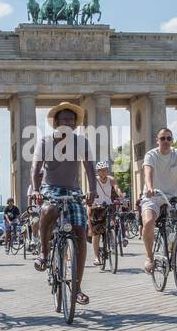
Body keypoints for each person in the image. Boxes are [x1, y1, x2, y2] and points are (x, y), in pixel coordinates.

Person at [31, 102, 97, 305]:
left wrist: (92, 190)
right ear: (56, 123)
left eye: (71, 120)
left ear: (75, 124)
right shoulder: (45, 142)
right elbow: (35, 168)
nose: (67, 123)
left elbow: (89, 167)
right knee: (48, 210)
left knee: (79, 232)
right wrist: (35, 190)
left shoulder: (81, 142)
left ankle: (77, 288)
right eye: (63, 120)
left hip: (73, 190)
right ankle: (43, 253)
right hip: (50, 188)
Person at [140, 127, 177, 274]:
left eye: (169, 138)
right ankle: (149, 257)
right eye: (162, 138)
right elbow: (148, 172)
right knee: (149, 222)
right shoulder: (151, 155)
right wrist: (150, 188)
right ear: (157, 140)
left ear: (172, 140)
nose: (166, 141)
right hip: (153, 196)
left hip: (172, 197)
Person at [89, 161, 124, 264]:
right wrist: (91, 201)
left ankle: (112, 242)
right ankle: (96, 257)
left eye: (105, 170)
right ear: (98, 171)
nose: (104, 172)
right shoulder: (94, 180)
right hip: (97, 206)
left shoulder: (111, 179)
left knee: (112, 224)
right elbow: (91, 191)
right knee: (96, 233)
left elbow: (116, 188)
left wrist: (121, 196)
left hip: (108, 205)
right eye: (101, 170)